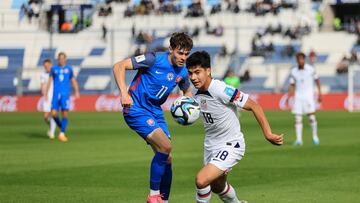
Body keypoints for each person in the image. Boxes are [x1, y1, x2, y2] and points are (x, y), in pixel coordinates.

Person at [186, 51, 283, 203]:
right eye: (190, 73)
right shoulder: (195, 92)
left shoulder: (221, 89)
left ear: (208, 70)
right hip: (211, 146)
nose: (193, 77)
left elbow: (254, 105)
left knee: (201, 180)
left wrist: (268, 133)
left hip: (231, 144)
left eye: (197, 72)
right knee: (218, 186)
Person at [113, 32, 193, 203]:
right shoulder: (152, 59)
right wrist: (123, 93)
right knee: (165, 146)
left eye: (187, 54)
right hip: (135, 108)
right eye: (180, 53)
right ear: (171, 49)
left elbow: (187, 90)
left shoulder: (184, 71)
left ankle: (163, 200)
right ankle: (154, 195)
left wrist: (187, 104)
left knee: (168, 157)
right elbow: (119, 66)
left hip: (155, 111)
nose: (183, 57)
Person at [286, 52, 322, 146]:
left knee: (311, 117)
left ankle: (315, 137)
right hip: (298, 97)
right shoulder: (293, 71)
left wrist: (320, 93)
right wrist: (289, 96)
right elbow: (292, 84)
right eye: (298, 59)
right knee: (297, 118)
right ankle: (299, 140)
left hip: (308, 96)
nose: (300, 61)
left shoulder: (310, 69)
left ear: (304, 59)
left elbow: (317, 81)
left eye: (301, 59)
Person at [45, 52, 80, 142]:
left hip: (65, 95)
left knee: (64, 114)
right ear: (58, 59)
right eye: (59, 58)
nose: (61, 60)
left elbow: (73, 80)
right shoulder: (54, 69)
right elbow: (49, 81)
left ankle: (61, 133)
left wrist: (76, 91)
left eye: (62, 58)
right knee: (53, 114)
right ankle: (62, 127)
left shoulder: (69, 69)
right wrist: (46, 92)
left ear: (65, 59)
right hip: (55, 95)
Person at [40, 59, 56, 139]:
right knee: (46, 116)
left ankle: (52, 132)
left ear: (51, 64)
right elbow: (42, 85)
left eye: (47, 65)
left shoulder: (55, 72)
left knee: (53, 114)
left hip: (54, 96)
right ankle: (51, 126)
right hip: (47, 97)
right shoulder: (43, 74)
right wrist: (44, 93)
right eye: (45, 66)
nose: (46, 67)